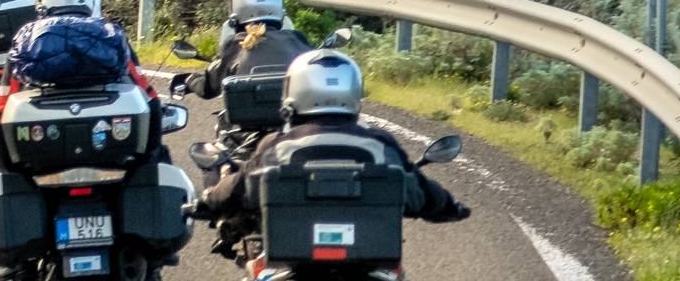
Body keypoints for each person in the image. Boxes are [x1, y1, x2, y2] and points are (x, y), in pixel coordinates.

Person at [192, 49, 471, 255]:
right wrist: (448, 206)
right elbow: (418, 189)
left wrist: (209, 200)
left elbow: (239, 187)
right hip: (369, 263)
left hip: (288, 262)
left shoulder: (278, 145)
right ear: (352, 92)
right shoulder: (378, 144)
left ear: (294, 92)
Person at [0, 0, 165, 165]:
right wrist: (151, 153)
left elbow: (2, 102)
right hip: (109, 149)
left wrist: (6, 165)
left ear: (42, 1)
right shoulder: (109, 32)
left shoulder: (27, 37)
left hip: (43, 150)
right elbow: (145, 91)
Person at [200, 0, 313, 99]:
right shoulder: (296, 38)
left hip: (246, 115)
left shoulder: (235, 44)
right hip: (294, 113)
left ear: (237, 9)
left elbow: (211, 87)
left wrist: (190, 81)